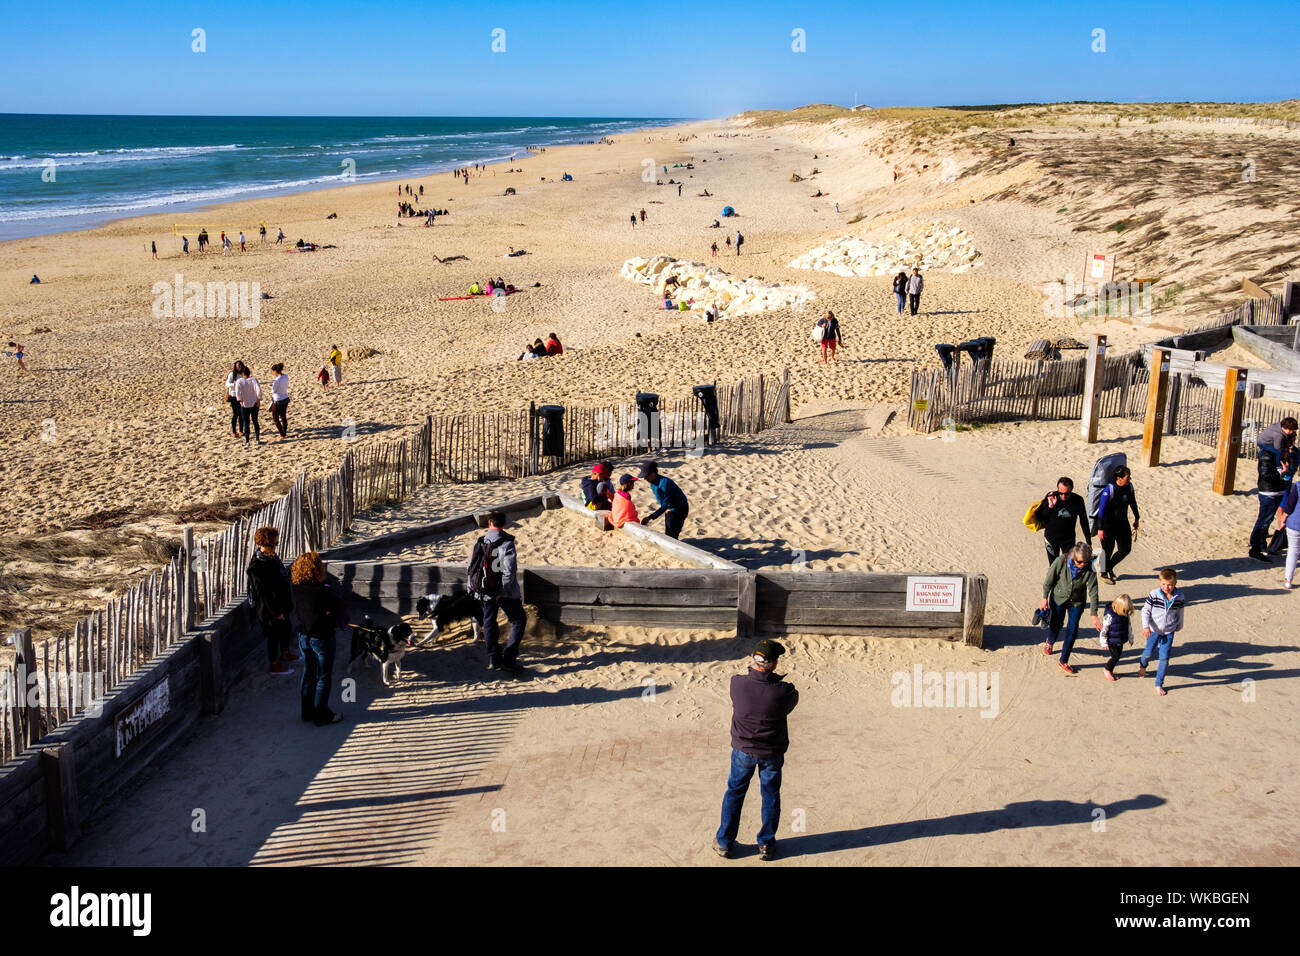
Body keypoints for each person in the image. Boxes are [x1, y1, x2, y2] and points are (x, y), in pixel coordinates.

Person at [713, 639, 799, 861]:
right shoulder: (784, 691)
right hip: (771, 753)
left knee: (734, 793)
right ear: (774, 664)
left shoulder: (737, 683)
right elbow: (790, 703)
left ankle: (724, 842)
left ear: (753, 659)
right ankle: (766, 844)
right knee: (770, 795)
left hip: (743, 751)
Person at [470, 512, 528, 677]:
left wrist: (474, 590)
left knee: (489, 622)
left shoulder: (479, 541)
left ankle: (493, 659)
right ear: (504, 524)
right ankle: (509, 659)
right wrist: (501, 591)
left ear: (489, 523)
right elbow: (509, 571)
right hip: (504, 592)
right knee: (518, 620)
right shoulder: (507, 542)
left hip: (484, 591)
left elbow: (471, 568)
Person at [291, 552, 344, 725]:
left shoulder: (296, 587)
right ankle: (322, 715)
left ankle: (307, 712)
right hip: (321, 637)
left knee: (308, 674)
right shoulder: (322, 592)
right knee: (323, 676)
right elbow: (332, 611)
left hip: (303, 636)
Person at [1038, 541, 1102, 674]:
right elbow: (1049, 579)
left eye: (1085, 562)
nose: (1082, 565)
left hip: (1077, 602)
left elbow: (1093, 591)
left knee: (1072, 630)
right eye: (1079, 562)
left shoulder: (1089, 568)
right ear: (1073, 557)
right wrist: (1044, 598)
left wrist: (1094, 614)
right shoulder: (1061, 561)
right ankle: (1050, 640)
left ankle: (1063, 660)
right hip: (1058, 599)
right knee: (1056, 624)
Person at [247, 526, 297, 676]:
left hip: (281, 602)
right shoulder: (257, 566)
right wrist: (276, 612)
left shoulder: (272, 557)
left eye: (276, 543)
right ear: (266, 544)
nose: (276, 546)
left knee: (286, 628)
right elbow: (263, 594)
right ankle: (274, 665)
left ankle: (285, 652)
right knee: (273, 635)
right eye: (274, 543)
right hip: (269, 609)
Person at [1250, 417, 1297, 561]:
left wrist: (1286, 474)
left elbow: (1288, 476)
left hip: (1279, 490)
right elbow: (1266, 475)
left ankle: (1261, 544)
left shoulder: (1286, 455)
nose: (1290, 444)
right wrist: (1282, 474)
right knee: (1263, 520)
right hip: (1268, 492)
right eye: (1288, 441)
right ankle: (1255, 548)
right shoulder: (1267, 455)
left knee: (1267, 520)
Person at [1139, 569, 1185, 696]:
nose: (1167, 587)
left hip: (1169, 631)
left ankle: (1159, 684)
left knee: (1164, 658)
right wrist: (1146, 626)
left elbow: (1180, 612)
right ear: (1160, 582)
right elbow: (1145, 611)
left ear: (1175, 583)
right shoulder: (1154, 594)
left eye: (1170, 584)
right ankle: (1142, 666)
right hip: (1154, 631)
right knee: (1148, 653)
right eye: (1164, 584)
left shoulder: (1179, 596)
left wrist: (1179, 625)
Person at [1096, 466, 1140, 584]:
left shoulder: (1129, 487)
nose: (1130, 478)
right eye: (1127, 476)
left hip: (1122, 523)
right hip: (1107, 525)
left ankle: (1109, 566)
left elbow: (1133, 502)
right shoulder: (1109, 490)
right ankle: (1103, 573)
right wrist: (1100, 528)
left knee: (1125, 549)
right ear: (1119, 478)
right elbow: (1101, 510)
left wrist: (1137, 517)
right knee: (1107, 550)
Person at [1034, 477, 1090, 564]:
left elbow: (1084, 521)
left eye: (1067, 494)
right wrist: (1050, 506)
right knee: (1053, 566)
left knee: (1068, 566)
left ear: (1071, 490)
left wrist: (1088, 541)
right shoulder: (1051, 496)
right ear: (1058, 489)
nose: (1064, 496)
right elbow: (1039, 517)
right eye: (1061, 493)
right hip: (1051, 539)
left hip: (1068, 540)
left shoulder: (1078, 500)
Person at [639, 461, 690, 539]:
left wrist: (650, 517)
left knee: (673, 535)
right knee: (668, 533)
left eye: (647, 475)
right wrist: (667, 509)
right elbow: (661, 501)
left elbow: (665, 504)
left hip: (680, 509)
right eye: (644, 477)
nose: (645, 478)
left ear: (653, 473)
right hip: (669, 509)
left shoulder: (665, 483)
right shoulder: (652, 483)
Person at [1099, 594, 1134, 682]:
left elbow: (1128, 626)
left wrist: (1130, 638)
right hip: (1111, 640)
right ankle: (1107, 669)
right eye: (1125, 610)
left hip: (1120, 638)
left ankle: (1110, 670)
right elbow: (1104, 630)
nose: (1126, 612)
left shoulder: (1125, 614)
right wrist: (1104, 642)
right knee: (1115, 656)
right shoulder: (1109, 616)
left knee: (1118, 655)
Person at [234, 364, 262, 445]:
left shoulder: (239, 381)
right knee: (255, 421)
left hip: (245, 404)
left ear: (242, 374)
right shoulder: (254, 380)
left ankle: (247, 441)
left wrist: (240, 400)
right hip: (254, 403)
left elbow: (238, 393)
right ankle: (257, 439)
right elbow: (258, 391)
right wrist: (259, 400)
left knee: (246, 422)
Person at [224, 360, 248, 437]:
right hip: (234, 396)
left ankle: (241, 430)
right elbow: (227, 384)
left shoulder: (243, 374)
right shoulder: (232, 374)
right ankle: (234, 431)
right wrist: (235, 384)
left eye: (241, 365)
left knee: (242, 414)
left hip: (242, 396)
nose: (240, 367)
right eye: (238, 366)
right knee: (235, 414)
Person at [269, 362, 290, 440]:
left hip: (278, 399)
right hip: (285, 397)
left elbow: (273, 390)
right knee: (283, 416)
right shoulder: (285, 376)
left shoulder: (277, 380)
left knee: (275, 418)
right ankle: (284, 432)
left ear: (275, 371)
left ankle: (282, 434)